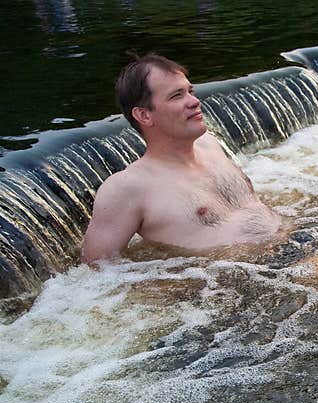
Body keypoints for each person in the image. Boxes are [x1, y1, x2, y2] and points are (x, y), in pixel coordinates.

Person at [80, 54, 283, 264]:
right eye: (177, 96)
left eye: (190, 91)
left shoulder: (208, 144)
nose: (195, 102)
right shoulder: (127, 188)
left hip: (291, 249)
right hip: (240, 280)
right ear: (144, 115)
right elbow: (96, 269)